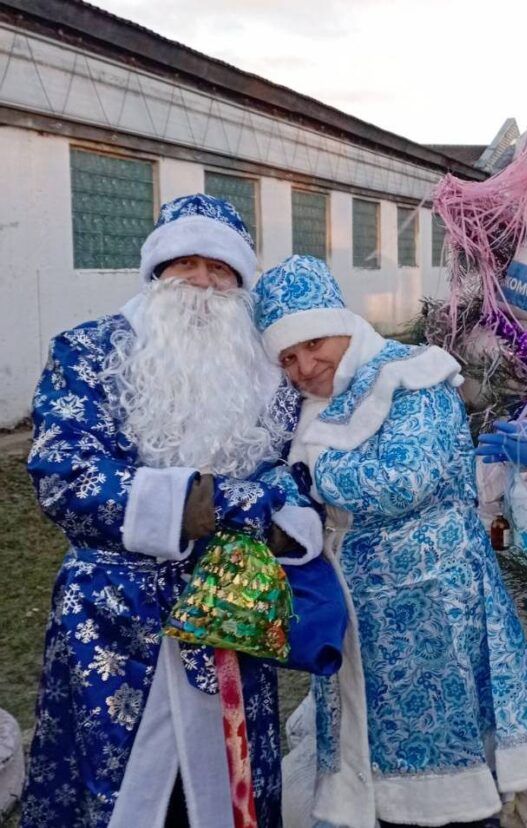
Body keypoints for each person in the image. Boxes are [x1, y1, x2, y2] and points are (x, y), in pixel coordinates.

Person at [21, 195, 323, 828]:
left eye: (220, 269)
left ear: (241, 283)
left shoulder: (264, 373)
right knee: (115, 796)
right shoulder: (88, 351)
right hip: (110, 622)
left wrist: (283, 515)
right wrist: (205, 505)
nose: (202, 284)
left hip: (230, 621)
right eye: (184, 263)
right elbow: (64, 471)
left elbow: (293, 474)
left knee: (220, 794)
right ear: (155, 272)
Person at [253, 255, 527, 827]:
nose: (304, 367)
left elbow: (402, 480)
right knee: (370, 766)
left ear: (343, 325)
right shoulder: (313, 405)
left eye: (313, 345)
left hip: (430, 608)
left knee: (447, 780)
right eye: (288, 357)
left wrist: (310, 474)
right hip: (361, 615)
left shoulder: (412, 376)